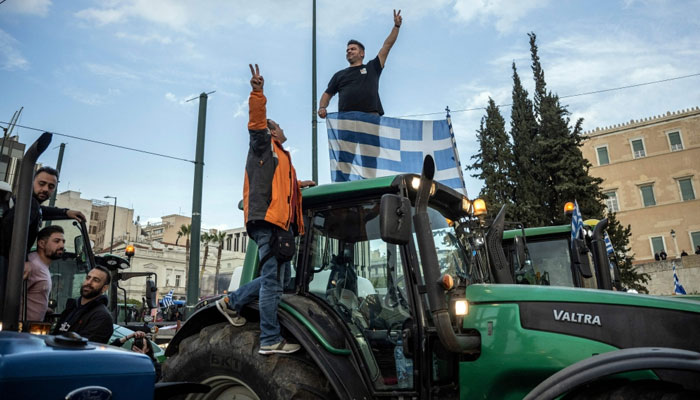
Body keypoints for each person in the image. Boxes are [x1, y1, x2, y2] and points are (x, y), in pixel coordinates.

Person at [216, 64, 315, 355]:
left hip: (279, 224)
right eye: (280, 126)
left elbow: (283, 187)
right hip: (269, 222)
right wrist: (258, 93)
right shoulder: (264, 145)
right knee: (272, 282)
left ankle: (232, 301)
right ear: (273, 130)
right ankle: (270, 339)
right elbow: (256, 124)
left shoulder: (282, 158)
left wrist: (300, 184)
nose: (284, 130)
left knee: (278, 279)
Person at [318, 10, 402, 118]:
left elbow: (387, 46)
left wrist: (396, 26)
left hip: (370, 119)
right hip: (346, 121)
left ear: (362, 53)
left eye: (353, 49)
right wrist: (322, 107)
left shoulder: (373, 67)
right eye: (347, 50)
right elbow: (327, 94)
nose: (349, 51)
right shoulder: (339, 75)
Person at [0, 166, 85, 258]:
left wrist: (65, 212)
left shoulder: (28, 205)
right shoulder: (30, 203)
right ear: (31, 183)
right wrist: (23, 263)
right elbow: (13, 235)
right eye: (41, 183)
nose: (45, 189)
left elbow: (43, 210)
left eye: (51, 186)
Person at [53, 265, 114, 343]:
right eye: (88, 278)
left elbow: (83, 347)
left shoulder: (102, 317)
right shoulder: (72, 307)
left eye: (96, 280)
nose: (89, 282)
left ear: (104, 288)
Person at [20, 225, 65, 321]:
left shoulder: (40, 265)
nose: (62, 246)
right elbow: (11, 296)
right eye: (56, 241)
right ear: (41, 243)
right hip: (20, 331)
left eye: (63, 241)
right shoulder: (32, 266)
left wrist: (44, 309)